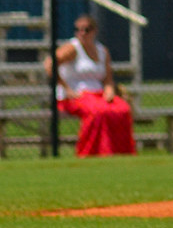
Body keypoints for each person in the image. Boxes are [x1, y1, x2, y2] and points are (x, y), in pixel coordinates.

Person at [43, 14, 137, 157]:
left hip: (98, 94)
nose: (82, 33)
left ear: (94, 31)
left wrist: (109, 90)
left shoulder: (102, 50)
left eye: (86, 29)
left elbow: (108, 78)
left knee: (122, 109)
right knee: (97, 111)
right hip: (74, 96)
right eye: (78, 29)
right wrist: (66, 88)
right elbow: (50, 64)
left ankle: (121, 153)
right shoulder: (72, 48)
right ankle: (90, 153)